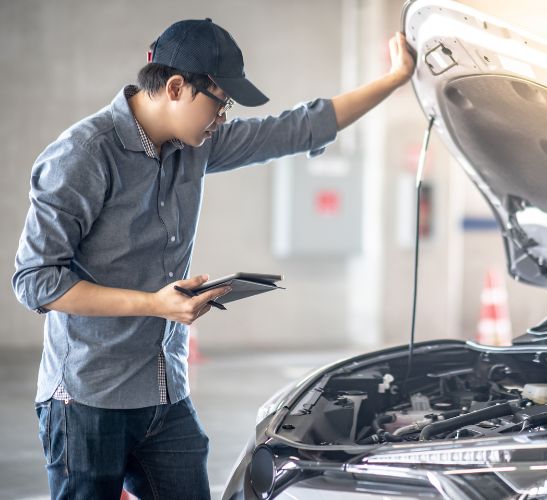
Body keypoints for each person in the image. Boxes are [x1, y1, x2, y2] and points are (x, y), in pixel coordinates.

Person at [12, 18, 414, 500]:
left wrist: (394, 79)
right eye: (220, 104)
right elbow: (36, 281)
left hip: (163, 391)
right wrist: (153, 304)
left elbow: (299, 127)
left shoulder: (197, 148)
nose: (222, 118)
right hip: (86, 398)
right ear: (177, 87)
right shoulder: (83, 155)